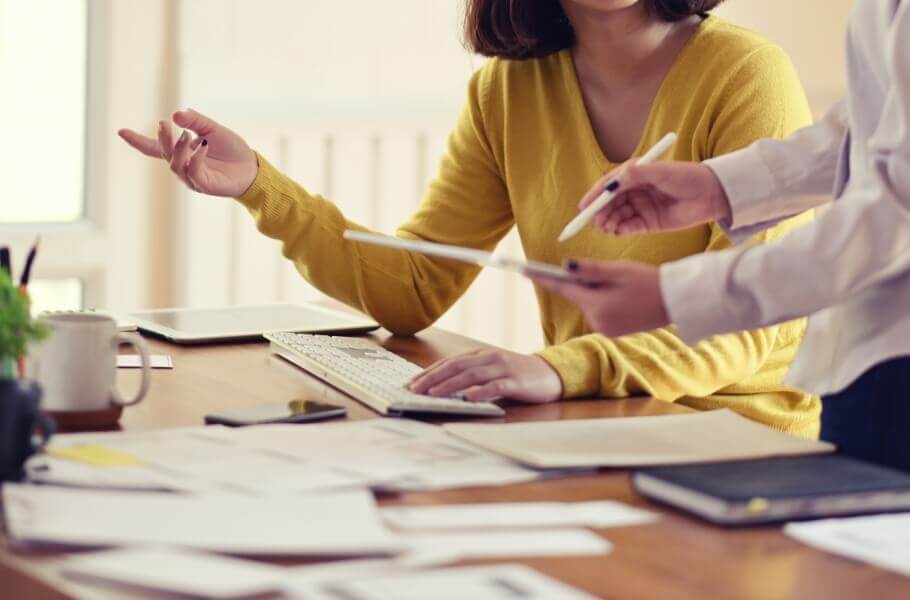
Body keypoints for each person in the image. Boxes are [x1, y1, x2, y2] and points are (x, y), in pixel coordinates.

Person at [121, 0, 820, 436]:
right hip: (598, 426)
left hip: (740, 441)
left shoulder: (746, 73)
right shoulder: (508, 88)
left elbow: (758, 318)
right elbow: (412, 289)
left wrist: (563, 368)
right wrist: (258, 187)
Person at [534, 1, 910, 467]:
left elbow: (896, 219)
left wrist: (677, 296)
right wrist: (719, 187)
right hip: (868, 360)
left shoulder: (746, 66)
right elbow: (874, 130)